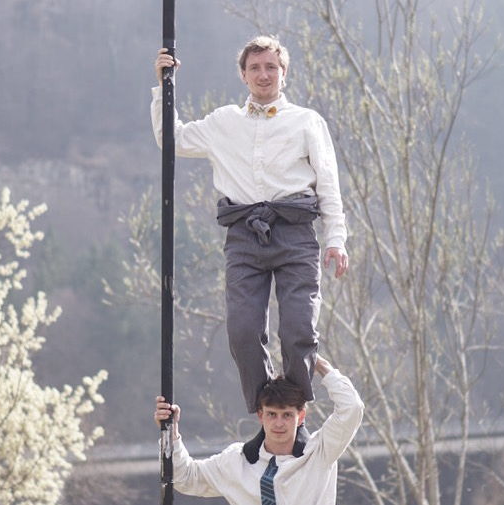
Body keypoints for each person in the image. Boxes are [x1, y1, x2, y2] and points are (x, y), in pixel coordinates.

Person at [151, 36, 349, 415]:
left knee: (299, 330)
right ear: (243, 75)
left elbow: (328, 184)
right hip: (244, 233)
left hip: (294, 231)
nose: (263, 75)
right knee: (242, 331)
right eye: (255, 68)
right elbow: (171, 139)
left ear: (284, 73)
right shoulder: (224, 122)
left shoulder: (306, 122)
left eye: (271, 67)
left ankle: (294, 412)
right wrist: (165, 86)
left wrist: (336, 240)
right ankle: (266, 412)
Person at [153, 355, 364, 504]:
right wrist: (170, 431)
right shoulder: (236, 461)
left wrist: (319, 364)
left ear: (300, 416)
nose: (279, 423)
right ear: (261, 415)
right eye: (272, 414)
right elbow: (184, 477)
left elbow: (352, 408)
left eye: (287, 415)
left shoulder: (319, 453)